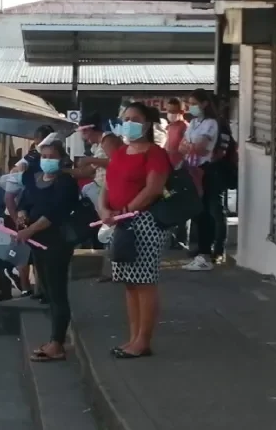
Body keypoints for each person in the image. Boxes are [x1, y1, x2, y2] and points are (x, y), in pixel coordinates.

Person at [98, 102, 170, 359]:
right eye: (125, 118)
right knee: (129, 283)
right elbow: (107, 185)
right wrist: (105, 210)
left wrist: (125, 210)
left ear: (148, 124)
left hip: (144, 222)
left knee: (144, 282)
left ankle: (143, 340)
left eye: (135, 118)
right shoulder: (120, 153)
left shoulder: (155, 154)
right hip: (120, 223)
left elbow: (152, 189)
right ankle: (133, 338)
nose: (128, 122)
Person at [16, 140, 79, 362]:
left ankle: (57, 342)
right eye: (44, 156)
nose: (47, 160)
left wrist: (30, 230)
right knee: (49, 292)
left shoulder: (66, 183)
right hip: (37, 243)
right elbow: (24, 202)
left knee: (57, 291)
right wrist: (23, 216)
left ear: (61, 159)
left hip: (57, 242)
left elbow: (54, 213)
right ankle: (54, 339)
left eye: (52, 156)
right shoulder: (35, 180)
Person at [179, 89, 225, 271]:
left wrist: (191, 146)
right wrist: (191, 146)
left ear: (204, 104)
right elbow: (182, 147)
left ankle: (206, 254)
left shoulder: (211, 124)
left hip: (205, 171)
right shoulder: (194, 123)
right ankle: (199, 252)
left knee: (206, 213)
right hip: (192, 169)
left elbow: (200, 148)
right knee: (197, 212)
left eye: (194, 103)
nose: (191, 106)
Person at [6, 125, 54, 300]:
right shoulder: (32, 157)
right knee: (28, 253)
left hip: (38, 214)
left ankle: (40, 289)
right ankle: (30, 288)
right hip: (26, 212)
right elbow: (15, 174)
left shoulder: (55, 163)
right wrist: (18, 216)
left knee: (39, 254)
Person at [164, 98, 189, 249]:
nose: (170, 114)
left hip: (179, 171)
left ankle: (181, 239)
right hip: (168, 170)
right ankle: (172, 238)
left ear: (181, 112)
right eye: (169, 111)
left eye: (174, 111)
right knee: (170, 203)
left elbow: (184, 151)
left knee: (180, 205)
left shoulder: (185, 127)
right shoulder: (169, 127)